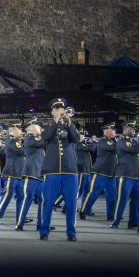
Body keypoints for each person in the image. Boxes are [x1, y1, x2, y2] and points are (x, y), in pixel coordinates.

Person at [39, 98, 80, 241]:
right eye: (57, 109)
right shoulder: (47, 126)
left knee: (71, 203)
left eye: (62, 109)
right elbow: (45, 138)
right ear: (52, 111)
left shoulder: (69, 124)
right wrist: (56, 121)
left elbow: (75, 139)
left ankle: (71, 232)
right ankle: (44, 231)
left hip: (70, 170)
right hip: (52, 170)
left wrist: (69, 124)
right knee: (48, 201)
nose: (61, 111)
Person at [110, 121, 139, 229]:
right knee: (122, 199)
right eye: (131, 128)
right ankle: (116, 221)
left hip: (136, 175)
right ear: (125, 129)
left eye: (134, 128)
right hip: (125, 175)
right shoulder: (122, 141)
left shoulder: (135, 141)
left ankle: (133, 222)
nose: (134, 130)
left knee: (137, 201)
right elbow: (135, 150)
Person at [79, 123, 118, 220]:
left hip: (111, 174)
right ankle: (83, 210)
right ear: (106, 131)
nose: (115, 132)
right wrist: (119, 141)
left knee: (112, 197)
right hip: (100, 173)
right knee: (93, 194)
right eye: (113, 130)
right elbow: (114, 149)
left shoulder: (114, 141)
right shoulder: (102, 141)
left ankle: (111, 215)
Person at [16, 117, 45, 231]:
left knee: (43, 200)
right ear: (31, 128)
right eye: (37, 125)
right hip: (31, 174)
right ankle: (20, 224)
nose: (40, 127)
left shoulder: (36, 138)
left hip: (39, 174)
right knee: (27, 199)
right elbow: (44, 141)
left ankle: (41, 224)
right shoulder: (30, 138)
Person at [0, 122, 26, 224]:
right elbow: (23, 152)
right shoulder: (12, 141)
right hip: (12, 173)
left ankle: (20, 218)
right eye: (19, 129)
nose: (21, 131)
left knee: (21, 196)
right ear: (13, 130)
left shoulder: (16, 141)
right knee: (7, 195)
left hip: (19, 173)